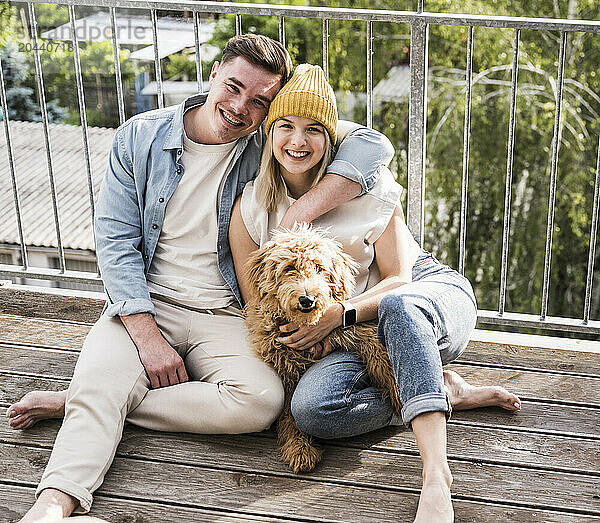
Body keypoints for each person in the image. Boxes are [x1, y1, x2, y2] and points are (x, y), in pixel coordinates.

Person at [8, 35, 395, 522]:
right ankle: (52, 505)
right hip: (146, 305)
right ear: (213, 74)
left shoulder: (268, 142)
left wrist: (298, 213)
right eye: (233, 88)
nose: (240, 108)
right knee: (98, 402)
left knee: (262, 403)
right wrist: (146, 336)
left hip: (226, 313)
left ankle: (91, 400)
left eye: (260, 101)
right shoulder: (141, 136)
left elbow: (370, 144)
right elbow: (115, 245)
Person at [228, 64, 522, 523]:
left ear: (332, 137)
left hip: (420, 295)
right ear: (269, 133)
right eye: (285, 126)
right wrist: (313, 334)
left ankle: (435, 476)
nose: (298, 141)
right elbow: (258, 307)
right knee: (312, 410)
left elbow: (399, 280)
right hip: (356, 329)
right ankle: (438, 388)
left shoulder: (370, 188)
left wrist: (339, 315)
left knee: (402, 308)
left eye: (314, 130)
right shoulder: (250, 207)